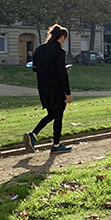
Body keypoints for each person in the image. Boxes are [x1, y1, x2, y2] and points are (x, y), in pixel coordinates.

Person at [23, 24, 73, 153]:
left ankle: (33, 135)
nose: (64, 42)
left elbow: (35, 68)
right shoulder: (59, 52)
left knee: (51, 113)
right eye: (64, 39)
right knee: (58, 116)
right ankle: (56, 145)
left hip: (43, 87)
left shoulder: (39, 49)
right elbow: (61, 74)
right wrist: (67, 93)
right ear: (61, 37)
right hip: (56, 87)